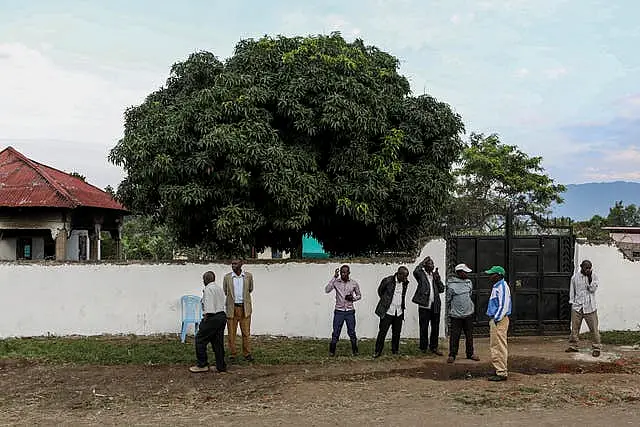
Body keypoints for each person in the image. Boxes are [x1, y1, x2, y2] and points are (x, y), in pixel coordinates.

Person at [190, 271, 227, 373]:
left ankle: (202, 365)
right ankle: (221, 366)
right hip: (222, 316)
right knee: (217, 342)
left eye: (203, 279)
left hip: (212, 317)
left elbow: (209, 309)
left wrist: (205, 321)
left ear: (206, 279)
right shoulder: (219, 288)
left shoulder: (208, 289)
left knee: (200, 339)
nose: (203, 281)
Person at [566, 260, 601, 357]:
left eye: (590, 268)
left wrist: (589, 279)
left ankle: (596, 347)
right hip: (577, 306)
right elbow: (572, 291)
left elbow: (592, 289)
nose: (588, 269)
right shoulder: (575, 278)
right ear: (581, 267)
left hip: (590, 307)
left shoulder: (593, 276)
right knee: (575, 328)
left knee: (593, 328)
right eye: (586, 268)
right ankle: (574, 346)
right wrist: (572, 303)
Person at [446, 263, 480, 363]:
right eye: (465, 272)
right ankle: (452, 354)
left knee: (469, 335)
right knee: (454, 335)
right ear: (459, 273)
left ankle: (470, 353)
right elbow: (448, 299)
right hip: (456, 315)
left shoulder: (469, 282)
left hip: (468, 314)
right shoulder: (451, 285)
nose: (467, 274)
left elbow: (470, 294)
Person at [373, 266, 410, 358]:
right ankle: (378, 351)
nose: (406, 279)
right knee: (382, 332)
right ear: (399, 274)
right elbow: (380, 291)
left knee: (397, 332)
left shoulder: (405, 283)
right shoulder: (388, 280)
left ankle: (395, 350)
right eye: (404, 276)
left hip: (399, 312)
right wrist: (386, 301)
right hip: (388, 311)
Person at [325, 265, 362, 356]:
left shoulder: (354, 283)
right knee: (336, 331)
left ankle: (355, 350)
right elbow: (327, 290)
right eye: (342, 272)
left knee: (352, 332)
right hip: (339, 311)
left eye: (345, 272)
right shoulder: (336, 282)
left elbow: (359, 295)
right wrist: (334, 277)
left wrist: (353, 298)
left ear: (349, 273)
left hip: (350, 311)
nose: (343, 274)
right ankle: (332, 351)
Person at [412, 256, 445, 355]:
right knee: (424, 327)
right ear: (425, 265)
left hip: (435, 306)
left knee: (435, 328)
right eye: (430, 264)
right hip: (424, 306)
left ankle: (434, 347)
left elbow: (441, 289)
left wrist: (438, 279)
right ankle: (423, 347)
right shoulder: (421, 274)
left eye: (433, 264)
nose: (432, 266)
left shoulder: (435, 275)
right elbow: (415, 271)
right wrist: (423, 261)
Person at [223, 260, 255, 362]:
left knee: (246, 332)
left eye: (235, 263)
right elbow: (225, 291)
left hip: (244, 308)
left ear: (241, 264)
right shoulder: (227, 277)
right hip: (232, 308)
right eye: (232, 264)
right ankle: (233, 353)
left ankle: (247, 353)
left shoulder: (248, 276)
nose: (233, 265)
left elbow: (250, 289)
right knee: (231, 333)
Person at [485, 265, 512, 381]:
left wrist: (496, 319)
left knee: (499, 345)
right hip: (496, 320)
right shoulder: (497, 286)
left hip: (499, 320)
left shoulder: (502, 287)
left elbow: (503, 306)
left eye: (492, 274)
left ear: (499, 275)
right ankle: (498, 368)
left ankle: (501, 371)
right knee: (495, 345)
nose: (490, 276)